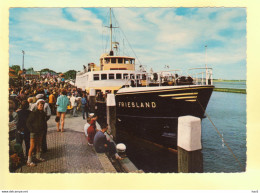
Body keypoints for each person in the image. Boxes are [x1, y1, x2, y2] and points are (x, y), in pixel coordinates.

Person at [26, 99, 47, 167]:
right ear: (37, 105)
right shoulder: (33, 113)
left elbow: (44, 122)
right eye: (40, 105)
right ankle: (29, 161)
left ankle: (38, 157)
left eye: (43, 105)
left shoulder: (43, 113)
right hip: (34, 132)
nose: (42, 106)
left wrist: (44, 130)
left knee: (39, 145)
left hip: (40, 132)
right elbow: (28, 122)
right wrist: (32, 130)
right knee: (32, 146)